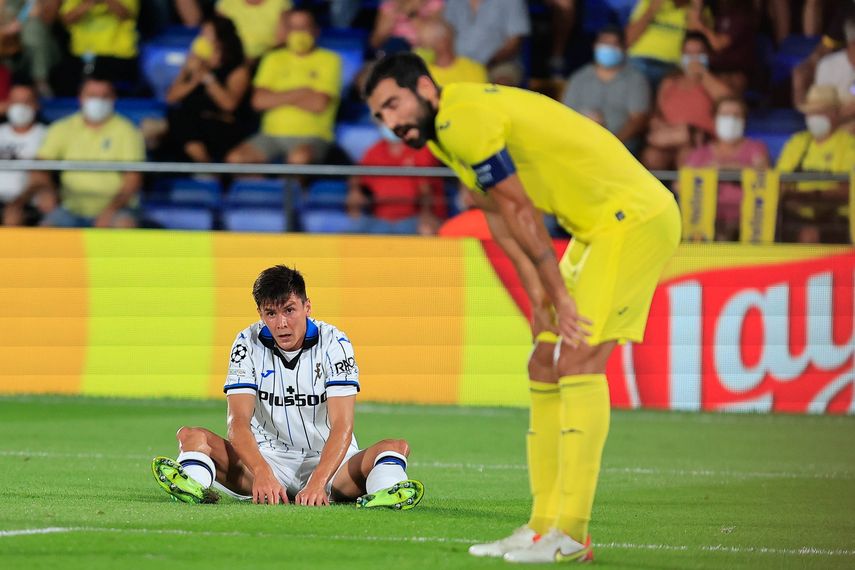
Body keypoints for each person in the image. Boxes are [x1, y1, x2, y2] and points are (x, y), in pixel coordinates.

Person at [365, 53, 680, 563]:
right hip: (596, 231)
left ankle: (572, 536)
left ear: (424, 87)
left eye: (394, 104)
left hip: (634, 220)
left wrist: (556, 292)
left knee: (576, 359)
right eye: (380, 115)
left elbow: (520, 208)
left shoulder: (461, 118)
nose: (391, 122)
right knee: (543, 361)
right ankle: (541, 528)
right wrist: (538, 297)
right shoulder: (442, 135)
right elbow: (495, 214)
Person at [151, 265, 426, 510]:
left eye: (289, 310)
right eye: (271, 313)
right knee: (191, 436)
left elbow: (343, 425)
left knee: (394, 447)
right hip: (265, 462)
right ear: (260, 313)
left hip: (331, 467)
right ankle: (194, 487)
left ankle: (386, 492)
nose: (281, 323)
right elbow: (238, 423)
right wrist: (262, 472)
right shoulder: (246, 343)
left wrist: (318, 482)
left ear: (307, 307)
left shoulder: (335, 343)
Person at [5, 76, 144, 228]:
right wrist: (46, 190)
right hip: (70, 208)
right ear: (80, 97)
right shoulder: (62, 128)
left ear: (113, 99)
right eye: (92, 95)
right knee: (47, 228)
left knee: (124, 224)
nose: (98, 101)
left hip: (118, 208)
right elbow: (40, 167)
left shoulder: (128, 131)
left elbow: (133, 180)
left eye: (104, 96)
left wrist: (111, 210)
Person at [226, 9, 341, 167]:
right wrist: (303, 92)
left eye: (304, 27)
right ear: (287, 31)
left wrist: (276, 97)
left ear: (316, 30)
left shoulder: (330, 60)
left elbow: (318, 104)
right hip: (271, 135)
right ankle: (261, 185)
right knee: (236, 159)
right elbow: (258, 101)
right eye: (293, 27)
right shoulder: (272, 58)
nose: (298, 33)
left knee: (299, 159)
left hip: (313, 136)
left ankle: (293, 185)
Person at [164, 15, 253, 164]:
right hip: (191, 123)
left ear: (222, 40)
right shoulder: (194, 64)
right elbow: (171, 97)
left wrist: (207, 77)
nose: (202, 39)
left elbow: (229, 105)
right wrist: (192, 77)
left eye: (207, 34)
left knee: (182, 123)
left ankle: (207, 167)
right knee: (177, 118)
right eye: (201, 34)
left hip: (221, 126)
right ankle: (203, 165)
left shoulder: (237, 69)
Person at [681, 95, 770, 241]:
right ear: (715, 119)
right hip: (708, 219)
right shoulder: (701, 154)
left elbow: (764, 177)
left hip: (748, 221)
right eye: (725, 115)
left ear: (744, 120)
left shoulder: (756, 149)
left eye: (736, 115)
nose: (731, 120)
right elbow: (680, 185)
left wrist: (722, 168)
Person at [777, 84, 855, 243]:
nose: (814, 117)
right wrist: (790, 197)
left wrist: (809, 196)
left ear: (835, 113)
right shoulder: (797, 142)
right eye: (811, 113)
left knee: (809, 236)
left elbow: (846, 191)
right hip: (795, 214)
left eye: (820, 112)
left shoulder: (848, 145)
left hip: (835, 217)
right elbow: (779, 181)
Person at [642, 31, 731, 170]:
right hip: (669, 137)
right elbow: (657, 113)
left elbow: (729, 101)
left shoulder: (716, 81)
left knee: (687, 155)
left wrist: (702, 73)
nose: (693, 58)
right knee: (651, 156)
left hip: (701, 139)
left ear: (708, 55)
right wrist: (657, 123)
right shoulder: (669, 82)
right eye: (688, 53)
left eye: (698, 53)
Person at [562, 25, 651, 155]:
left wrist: (612, 144)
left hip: (621, 149)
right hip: (580, 145)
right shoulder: (579, 78)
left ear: (623, 48)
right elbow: (565, 115)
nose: (608, 48)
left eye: (614, 44)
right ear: (595, 46)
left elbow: (638, 120)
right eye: (604, 43)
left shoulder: (636, 80)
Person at [346, 122, 445, 235]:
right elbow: (358, 177)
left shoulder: (419, 148)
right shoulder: (375, 150)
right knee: (353, 231)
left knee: (426, 230)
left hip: (413, 219)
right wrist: (355, 191)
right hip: (379, 220)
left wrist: (427, 216)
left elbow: (427, 189)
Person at [625, 0, 719, 90]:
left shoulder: (701, 12)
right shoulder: (649, 3)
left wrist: (697, 12)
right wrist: (651, 11)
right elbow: (627, 41)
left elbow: (701, 45)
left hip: (673, 67)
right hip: (639, 61)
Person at [56, 0, 139, 95]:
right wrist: (90, 2)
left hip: (119, 55)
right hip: (83, 55)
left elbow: (126, 15)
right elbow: (66, 20)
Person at [443, 0, 530, 86]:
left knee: (501, 85)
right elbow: (444, 34)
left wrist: (489, 63)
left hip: (498, 63)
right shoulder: (453, 2)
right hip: (457, 63)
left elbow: (514, 43)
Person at [0, 83, 46, 225]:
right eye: (15, 101)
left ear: (36, 105)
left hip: (27, 200)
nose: (20, 107)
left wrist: (18, 202)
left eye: (26, 101)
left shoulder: (46, 135)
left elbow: (42, 178)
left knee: (12, 215)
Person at [416, 17, 487, 87]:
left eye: (424, 45)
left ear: (443, 42)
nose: (419, 50)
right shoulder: (423, 76)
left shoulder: (474, 69)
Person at [215, 0, 291, 62]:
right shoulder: (226, 3)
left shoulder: (280, 2)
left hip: (267, 58)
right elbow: (217, 35)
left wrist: (257, 60)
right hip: (231, 58)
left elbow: (282, 40)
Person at [369, 0, 444, 50]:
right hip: (394, 52)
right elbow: (374, 43)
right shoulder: (389, 7)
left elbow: (433, 39)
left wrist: (411, 13)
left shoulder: (433, 4)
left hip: (423, 53)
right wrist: (383, 32)